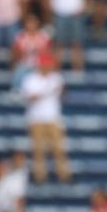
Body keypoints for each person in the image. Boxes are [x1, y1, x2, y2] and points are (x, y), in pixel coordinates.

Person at [22, 52, 70, 183]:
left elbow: (63, 97)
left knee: (59, 148)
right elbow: (31, 98)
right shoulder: (31, 79)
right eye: (46, 65)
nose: (48, 67)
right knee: (38, 150)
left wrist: (62, 91)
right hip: (36, 119)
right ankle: (40, 177)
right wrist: (47, 91)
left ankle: (64, 175)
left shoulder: (56, 78)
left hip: (53, 118)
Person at [11, 13, 53, 91]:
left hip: (39, 65)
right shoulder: (20, 35)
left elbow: (47, 52)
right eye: (29, 23)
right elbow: (16, 52)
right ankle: (16, 91)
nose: (31, 25)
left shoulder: (44, 36)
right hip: (24, 63)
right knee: (19, 71)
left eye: (33, 22)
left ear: (37, 23)